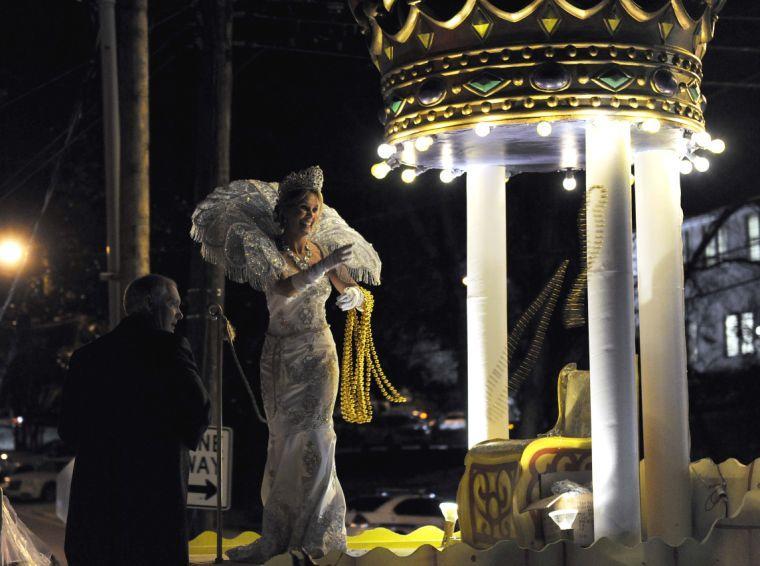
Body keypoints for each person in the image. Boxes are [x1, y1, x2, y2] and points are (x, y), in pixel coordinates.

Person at [191, 166, 381, 563]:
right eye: (302, 209)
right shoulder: (269, 249)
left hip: (319, 354)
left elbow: (351, 288)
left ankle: (319, 529)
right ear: (285, 212)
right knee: (282, 440)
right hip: (280, 358)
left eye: (314, 209)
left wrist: (354, 299)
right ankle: (281, 527)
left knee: (318, 437)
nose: (310, 216)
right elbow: (282, 289)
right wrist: (322, 270)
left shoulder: (321, 250)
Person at [59, 274, 211, 566]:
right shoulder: (169, 348)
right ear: (150, 303)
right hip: (155, 494)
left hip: (98, 497)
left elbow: (68, 428)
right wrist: (173, 443)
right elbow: (198, 407)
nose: (179, 314)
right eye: (173, 304)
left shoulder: (85, 357)